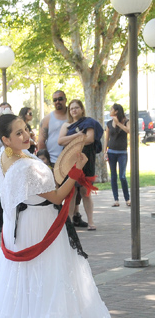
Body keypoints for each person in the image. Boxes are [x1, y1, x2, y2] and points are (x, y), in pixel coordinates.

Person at [0, 113, 116, 318]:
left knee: (25, 286)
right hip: (39, 225)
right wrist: (76, 171)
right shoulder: (27, 164)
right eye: (18, 133)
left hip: (19, 229)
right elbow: (56, 196)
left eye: (26, 130)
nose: (26, 136)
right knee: (52, 279)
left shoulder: (3, 158)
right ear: (5, 139)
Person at [38, 91, 88, 229]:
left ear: (65, 99)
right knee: (58, 190)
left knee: (76, 190)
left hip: (73, 159)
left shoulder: (73, 115)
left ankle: (75, 216)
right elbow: (41, 141)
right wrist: (43, 160)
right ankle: (59, 218)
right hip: (54, 161)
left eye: (60, 99)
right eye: (54, 100)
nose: (57, 102)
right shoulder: (47, 119)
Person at [58, 99, 103, 231]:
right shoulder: (66, 125)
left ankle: (91, 222)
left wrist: (71, 140)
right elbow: (60, 141)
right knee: (71, 191)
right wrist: (78, 135)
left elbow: (89, 139)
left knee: (85, 191)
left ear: (82, 109)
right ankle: (70, 221)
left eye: (76, 108)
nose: (74, 110)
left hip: (86, 160)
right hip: (70, 160)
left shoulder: (89, 123)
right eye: (71, 109)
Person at [105, 103, 130, 207]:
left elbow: (129, 131)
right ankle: (116, 199)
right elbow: (106, 138)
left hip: (122, 152)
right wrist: (104, 151)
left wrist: (118, 123)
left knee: (122, 176)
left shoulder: (126, 121)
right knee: (113, 176)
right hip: (111, 152)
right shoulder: (109, 123)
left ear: (116, 111)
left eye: (112, 109)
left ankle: (127, 199)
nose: (110, 111)